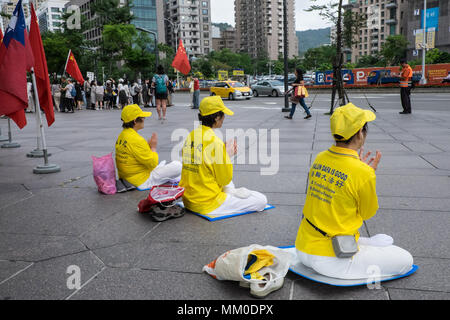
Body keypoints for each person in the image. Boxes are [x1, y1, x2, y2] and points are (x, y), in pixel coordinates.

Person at [293, 103, 413, 280]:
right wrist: (366, 175)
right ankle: (362, 247)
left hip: (302, 248)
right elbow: (367, 212)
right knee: (405, 259)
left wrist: (359, 173)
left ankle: (363, 243)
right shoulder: (363, 172)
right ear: (359, 133)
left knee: (383, 240)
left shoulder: (320, 157)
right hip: (332, 259)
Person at [179, 96, 268, 217]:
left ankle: (230, 192)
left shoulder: (192, 135)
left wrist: (222, 154)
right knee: (261, 200)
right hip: (207, 202)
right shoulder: (215, 141)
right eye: (223, 115)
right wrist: (227, 155)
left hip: (188, 198)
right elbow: (224, 179)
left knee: (226, 182)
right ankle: (230, 194)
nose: (224, 118)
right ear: (216, 118)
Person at [115, 104, 182, 191]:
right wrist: (153, 148)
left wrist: (147, 146)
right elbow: (152, 163)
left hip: (127, 177)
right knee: (178, 165)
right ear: (135, 121)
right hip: (141, 180)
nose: (144, 119)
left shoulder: (122, 135)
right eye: (142, 117)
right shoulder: (136, 139)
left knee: (163, 165)